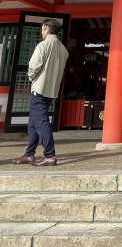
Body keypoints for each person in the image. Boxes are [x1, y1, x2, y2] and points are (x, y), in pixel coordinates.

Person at [13, 19, 69, 167]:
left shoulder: (43, 45)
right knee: (33, 122)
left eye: (42, 29)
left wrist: (31, 77)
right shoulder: (63, 49)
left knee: (42, 122)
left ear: (46, 30)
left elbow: (33, 66)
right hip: (51, 90)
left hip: (40, 88)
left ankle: (49, 155)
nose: (41, 32)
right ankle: (29, 154)